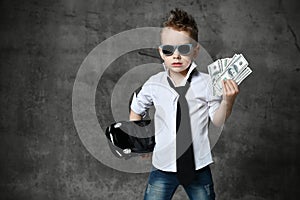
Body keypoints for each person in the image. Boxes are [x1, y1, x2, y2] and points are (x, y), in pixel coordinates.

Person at [129, 8, 239, 200]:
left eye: (184, 49)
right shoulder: (154, 83)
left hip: (197, 166)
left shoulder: (207, 83)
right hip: (162, 166)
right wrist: (140, 143)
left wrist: (227, 101)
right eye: (168, 50)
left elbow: (217, 120)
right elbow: (136, 109)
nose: (176, 56)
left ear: (195, 51)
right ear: (161, 53)